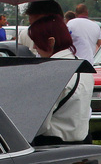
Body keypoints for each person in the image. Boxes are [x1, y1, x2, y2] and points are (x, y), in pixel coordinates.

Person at [26, 13, 93, 145]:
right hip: (83, 145)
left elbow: (40, 124)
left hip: (51, 145)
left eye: (36, 42)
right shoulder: (84, 68)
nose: (34, 47)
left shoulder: (52, 74)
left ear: (51, 42)